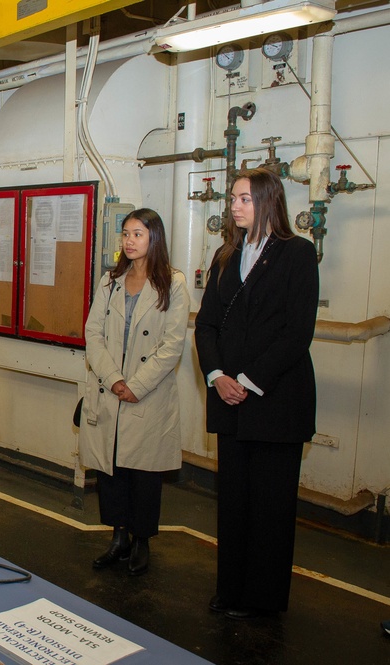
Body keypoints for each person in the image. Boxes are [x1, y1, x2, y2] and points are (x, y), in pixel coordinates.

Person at [195, 167, 319, 620]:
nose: (234, 205)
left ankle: (263, 599)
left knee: (270, 507)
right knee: (233, 503)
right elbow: (206, 323)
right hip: (228, 401)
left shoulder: (297, 254)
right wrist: (216, 375)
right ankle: (230, 589)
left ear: (268, 201)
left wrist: (245, 381)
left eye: (243, 198)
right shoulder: (226, 255)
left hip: (275, 403)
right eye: (232, 198)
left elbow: (296, 333)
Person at [79, 208, 190, 576]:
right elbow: (92, 334)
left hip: (148, 393)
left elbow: (172, 345)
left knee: (143, 473)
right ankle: (118, 537)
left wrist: (137, 385)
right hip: (112, 390)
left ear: (153, 238)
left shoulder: (172, 284)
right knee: (111, 471)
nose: (129, 240)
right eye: (126, 233)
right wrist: (114, 380)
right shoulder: (109, 282)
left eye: (138, 234)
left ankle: (141, 540)